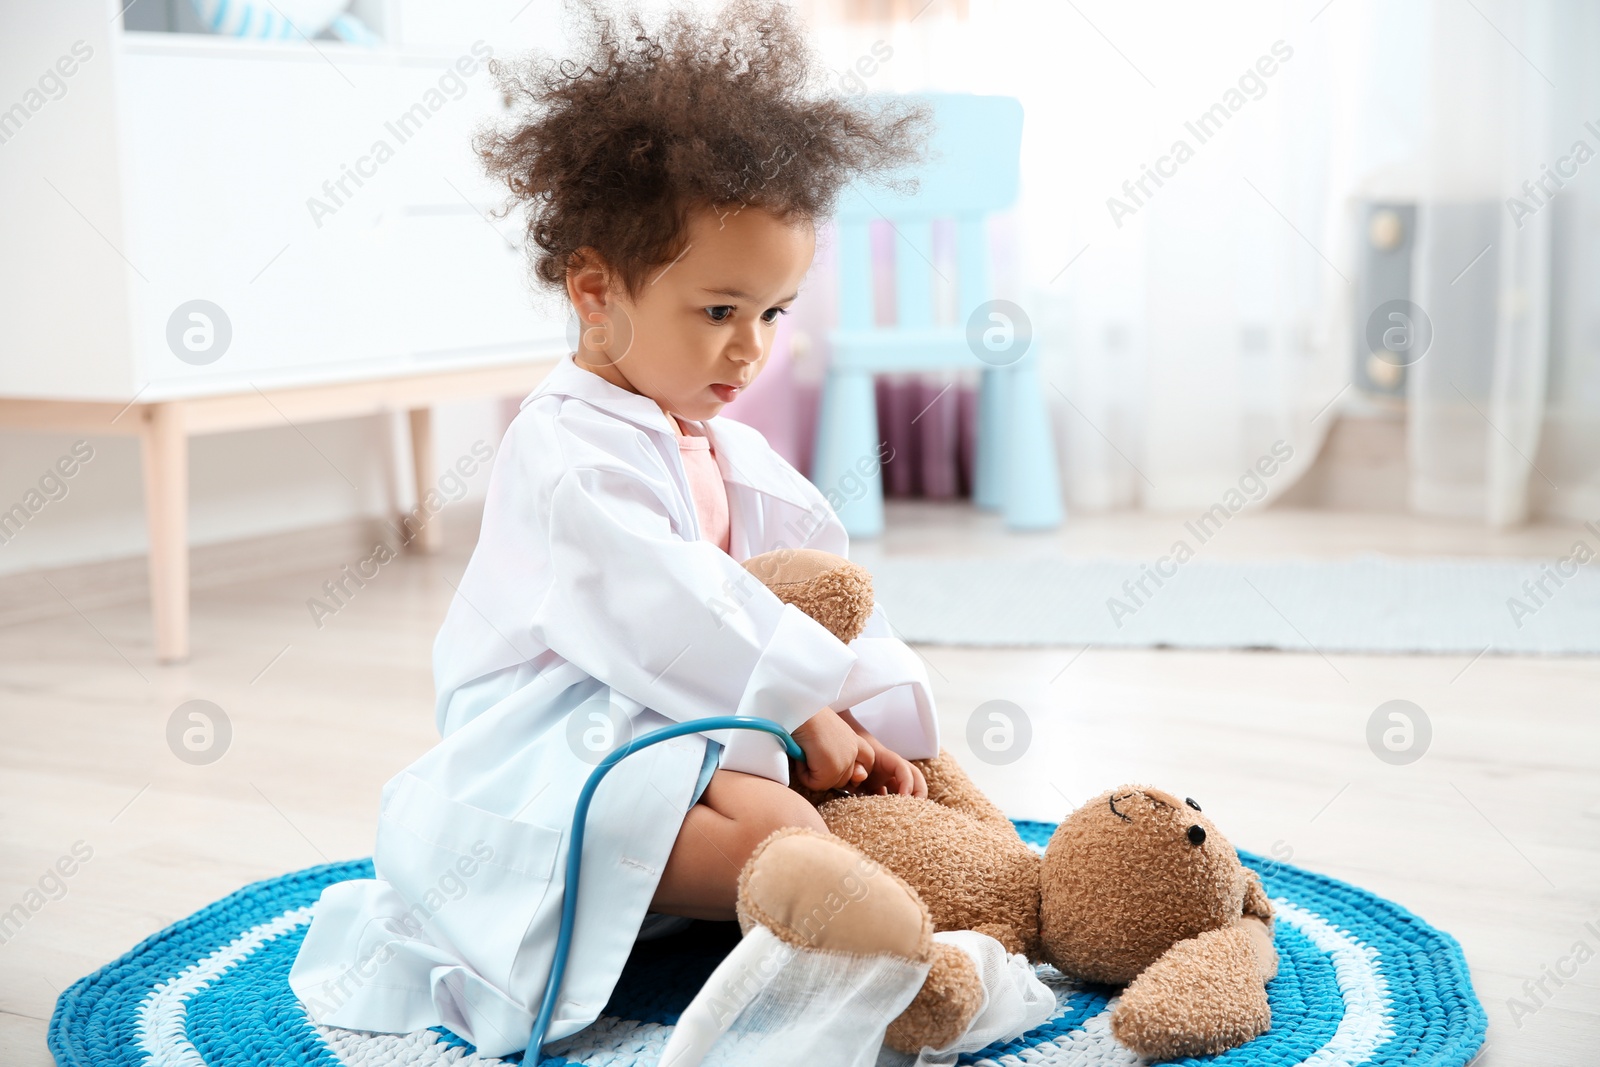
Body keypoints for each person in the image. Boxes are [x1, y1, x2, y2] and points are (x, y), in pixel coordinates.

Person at [287, 0, 941, 1057]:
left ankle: (849, 881)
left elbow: (794, 580)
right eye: (720, 310)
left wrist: (855, 703)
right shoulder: (565, 445)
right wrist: (805, 701)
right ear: (597, 291)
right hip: (561, 726)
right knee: (779, 830)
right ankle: (860, 934)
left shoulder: (707, 436)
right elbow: (666, 610)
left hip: (675, 707)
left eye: (773, 314)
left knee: (827, 805)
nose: (750, 350)